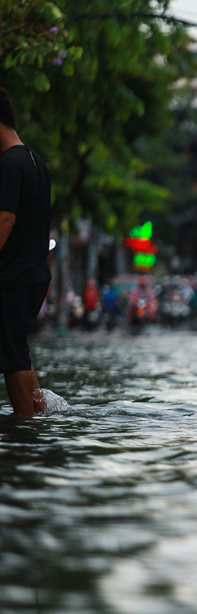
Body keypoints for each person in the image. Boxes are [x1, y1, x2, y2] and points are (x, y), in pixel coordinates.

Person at [0, 87, 51, 417]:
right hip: (32, 276)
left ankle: (28, 430)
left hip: (12, 277)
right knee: (16, 351)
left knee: (12, 356)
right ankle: (38, 417)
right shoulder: (35, 161)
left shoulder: (8, 164)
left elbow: (5, 218)